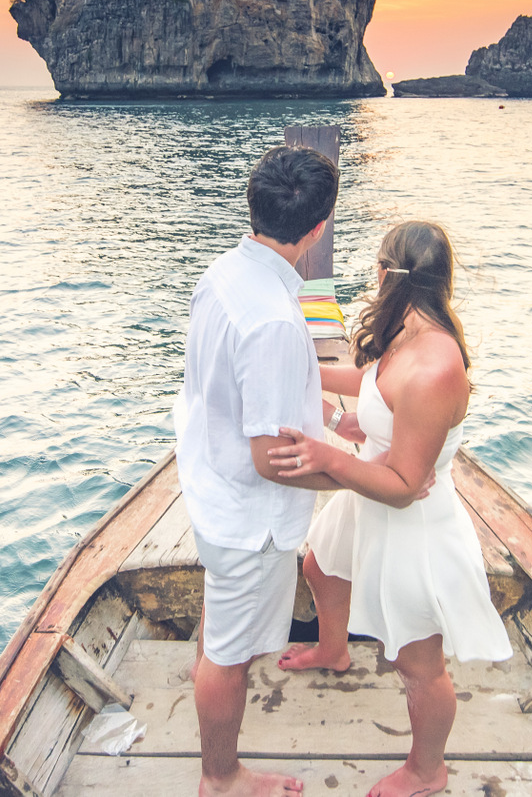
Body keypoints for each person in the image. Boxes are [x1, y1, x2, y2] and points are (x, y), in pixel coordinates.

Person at [268, 220, 512, 797]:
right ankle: (334, 651)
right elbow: (372, 381)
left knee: (414, 660)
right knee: (320, 568)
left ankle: (427, 771)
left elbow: (404, 484)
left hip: (411, 521)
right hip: (371, 492)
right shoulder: (407, 331)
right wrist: (305, 373)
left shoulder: (435, 365)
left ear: (385, 274)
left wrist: (326, 453)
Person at [174, 144, 341, 797]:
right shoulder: (273, 317)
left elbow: (227, 381)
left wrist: (310, 398)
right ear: (318, 229)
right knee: (230, 659)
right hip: (249, 516)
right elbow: (273, 461)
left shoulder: (222, 274)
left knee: (221, 626)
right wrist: (351, 473)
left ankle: (207, 681)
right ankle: (221, 778)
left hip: (211, 485)